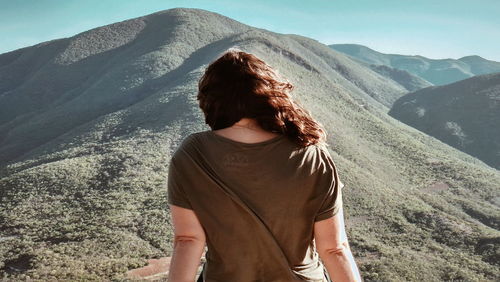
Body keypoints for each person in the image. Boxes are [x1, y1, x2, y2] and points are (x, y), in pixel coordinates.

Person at [167, 49, 362, 282]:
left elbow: (188, 240)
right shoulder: (311, 154)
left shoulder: (193, 153)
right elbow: (334, 248)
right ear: (271, 94)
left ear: (210, 100)